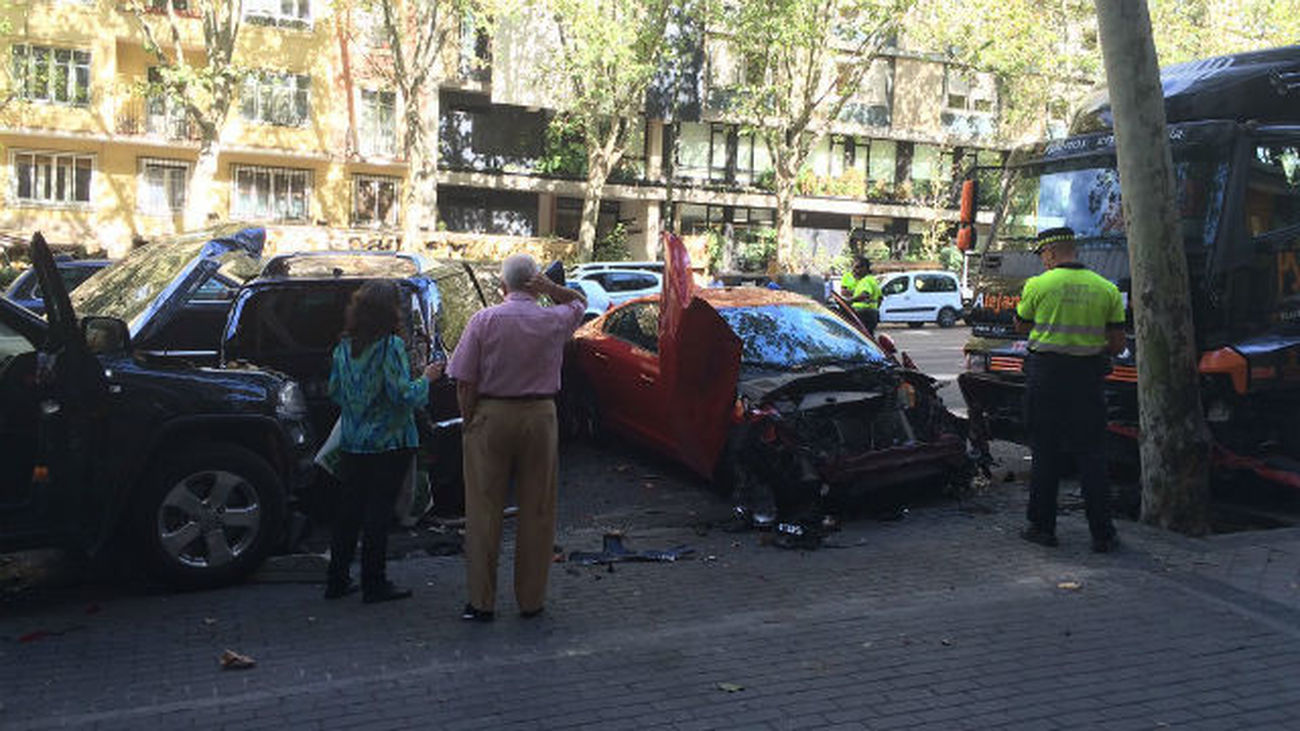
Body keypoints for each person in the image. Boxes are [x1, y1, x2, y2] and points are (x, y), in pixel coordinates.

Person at [447, 253, 586, 621]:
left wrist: (468, 421)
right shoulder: (553, 319)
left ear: (502, 285)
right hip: (540, 415)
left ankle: (481, 602)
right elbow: (579, 304)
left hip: (491, 415)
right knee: (538, 508)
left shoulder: (484, 320)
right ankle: (531, 600)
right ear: (534, 283)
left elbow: (464, 381)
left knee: (483, 509)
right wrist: (552, 287)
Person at [324, 281, 443, 603]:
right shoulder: (390, 346)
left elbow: (334, 391)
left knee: (349, 511)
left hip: (352, 442)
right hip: (389, 443)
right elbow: (403, 395)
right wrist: (427, 378)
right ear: (390, 311)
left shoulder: (344, 348)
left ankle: (336, 580)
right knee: (378, 513)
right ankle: (374, 582)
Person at [1015, 227, 1127, 553]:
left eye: (1043, 256)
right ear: (1073, 251)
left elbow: (1021, 326)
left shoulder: (1038, 285)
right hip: (1087, 380)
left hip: (1046, 378)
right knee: (1092, 456)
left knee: (1045, 453)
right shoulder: (1106, 289)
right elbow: (1118, 346)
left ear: (1049, 254)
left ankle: (1042, 528)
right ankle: (1103, 535)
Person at [843, 256, 882, 334]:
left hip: (864, 314)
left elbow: (865, 295)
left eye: (857, 268)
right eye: (853, 268)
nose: (854, 271)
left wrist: (849, 301)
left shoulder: (866, 281)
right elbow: (880, 298)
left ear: (864, 268)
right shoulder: (871, 280)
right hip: (871, 313)